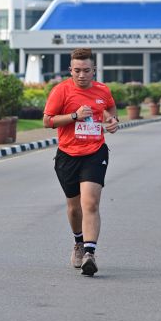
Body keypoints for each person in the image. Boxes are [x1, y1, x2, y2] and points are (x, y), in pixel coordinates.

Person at [43, 48, 119, 276]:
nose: (82, 75)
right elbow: (47, 121)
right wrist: (74, 116)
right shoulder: (61, 91)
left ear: (94, 70)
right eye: (77, 70)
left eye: (86, 70)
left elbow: (109, 108)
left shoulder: (102, 90)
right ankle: (78, 242)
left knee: (90, 203)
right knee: (74, 208)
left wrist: (112, 120)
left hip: (95, 152)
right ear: (70, 70)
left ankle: (90, 254)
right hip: (67, 155)